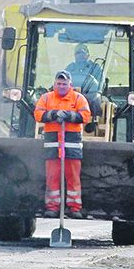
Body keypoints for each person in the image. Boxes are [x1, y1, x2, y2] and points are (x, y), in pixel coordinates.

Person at [34, 71, 92, 218]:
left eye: (64, 84)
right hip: (52, 145)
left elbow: (85, 116)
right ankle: (52, 208)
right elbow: (38, 114)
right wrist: (52, 114)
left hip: (71, 145)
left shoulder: (79, 98)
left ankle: (75, 208)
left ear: (70, 85)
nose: (61, 86)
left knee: (73, 178)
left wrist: (68, 115)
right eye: (58, 84)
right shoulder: (46, 98)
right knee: (52, 177)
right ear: (54, 84)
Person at [65, 43, 104, 118]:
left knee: (97, 98)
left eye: (83, 52)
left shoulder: (96, 68)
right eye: (78, 52)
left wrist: (98, 91)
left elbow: (101, 84)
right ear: (75, 55)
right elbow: (61, 81)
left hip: (90, 97)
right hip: (70, 97)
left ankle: (93, 122)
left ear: (88, 54)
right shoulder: (70, 67)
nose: (80, 55)